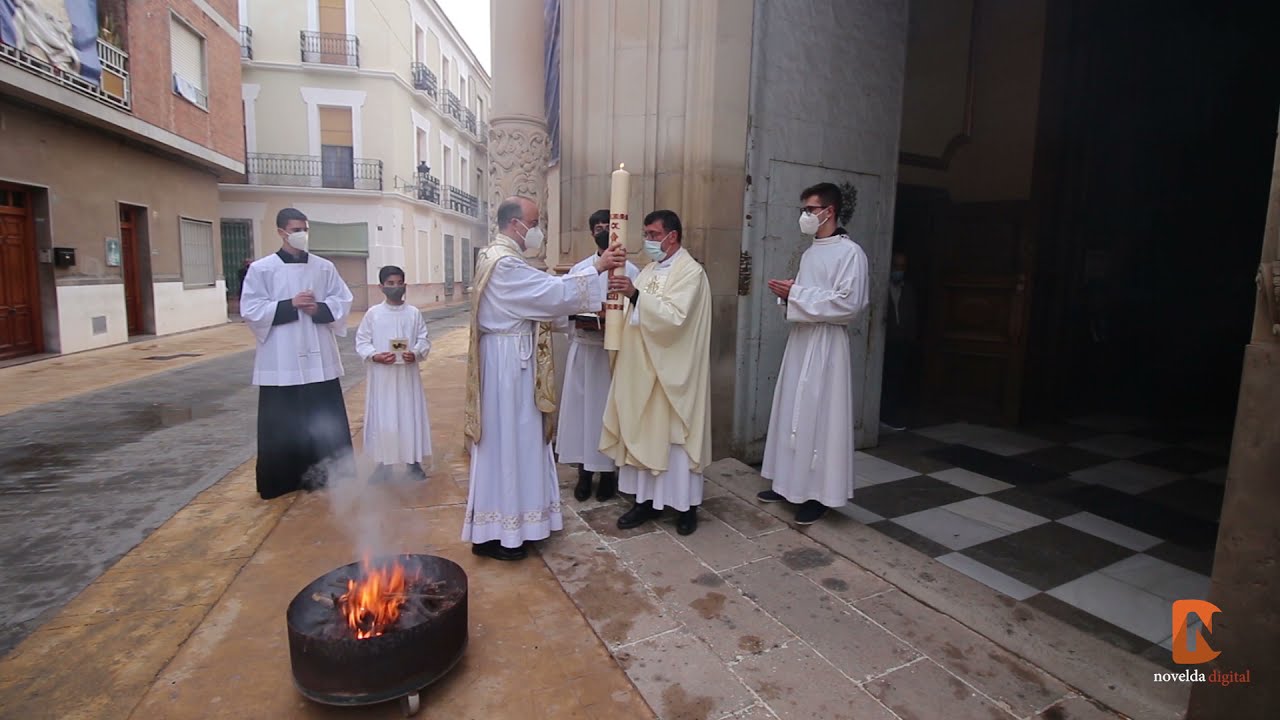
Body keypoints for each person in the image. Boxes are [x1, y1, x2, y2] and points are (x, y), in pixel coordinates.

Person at [462, 196, 627, 561]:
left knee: (517, 442)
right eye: (535, 222)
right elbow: (550, 293)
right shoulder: (504, 263)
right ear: (514, 223)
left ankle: (518, 525)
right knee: (511, 443)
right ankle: (501, 535)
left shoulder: (498, 257)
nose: (538, 230)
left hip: (510, 359)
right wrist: (598, 266)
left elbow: (539, 297)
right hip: (510, 367)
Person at [757, 182, 870, 524]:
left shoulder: (852, 254)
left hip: (826, 345)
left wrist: (797, 294)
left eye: (810, 209)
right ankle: (787, 483)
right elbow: (807, 296)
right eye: (803, 209)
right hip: (802, 341)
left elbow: (850, 304)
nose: (805, 215)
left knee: (821, 417)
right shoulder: (809, 253)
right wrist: (787, 294)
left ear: (829, 211)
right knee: (790, 407)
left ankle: (818, 494)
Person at [600, 210, 713, 536]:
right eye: (646, 234)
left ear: (672, 236)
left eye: (652, 234)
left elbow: (677, 319)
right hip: (643, 369)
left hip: (673, 371)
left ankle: (687, 506)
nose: (648, 240)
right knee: (644, 430)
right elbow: (637, 313)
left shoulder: (691, 273)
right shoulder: (650, 270)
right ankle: (645, 501)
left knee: (674, 438)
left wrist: (634, 295)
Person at [240, 208, 355, 499]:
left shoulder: (324, 267)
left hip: (318, 355)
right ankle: (282, 479)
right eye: (295, 229)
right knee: (282, 420)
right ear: (281, 232)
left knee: (323, 415)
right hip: (282, 358)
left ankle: (331, 474)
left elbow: (342, 300)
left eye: (304, 228)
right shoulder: (262, 269)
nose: (301, 233)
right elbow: (251, 310)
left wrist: (318, 309)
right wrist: (289, 304)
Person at [557, 209, 639, 502]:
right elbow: (563, 304)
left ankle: (607, 475)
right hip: (585, 350)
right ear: (592, 233)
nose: (603, 231)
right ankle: (583, 473)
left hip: (612, 356)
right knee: (581, 414)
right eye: (598, 227)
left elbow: (640, 308)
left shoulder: (632, 271)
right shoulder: (580, 269)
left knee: (606, 414)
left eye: (608, 226)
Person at [355, 265, 432, 482]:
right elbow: (362, 341)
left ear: (405, 284)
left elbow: (423, 339)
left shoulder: (413, 313)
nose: (395, 287)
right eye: (390, 284)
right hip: (383, 376)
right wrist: (374, 355)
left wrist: (416, 353)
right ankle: (384, 464)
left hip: (407, 376)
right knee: (385, 417)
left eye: (399, 283)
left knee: (410, 415)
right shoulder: (373, 314)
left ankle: (413, 462)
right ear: (381, 287)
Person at [882, 250, 918, 430]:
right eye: (896, 266)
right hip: (884, 339)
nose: (899, 271)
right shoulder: (881, 288)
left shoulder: (907, 289)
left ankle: (890, 416)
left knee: (895, 378)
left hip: (900, 340)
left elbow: (910, 316)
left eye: (902, 267)